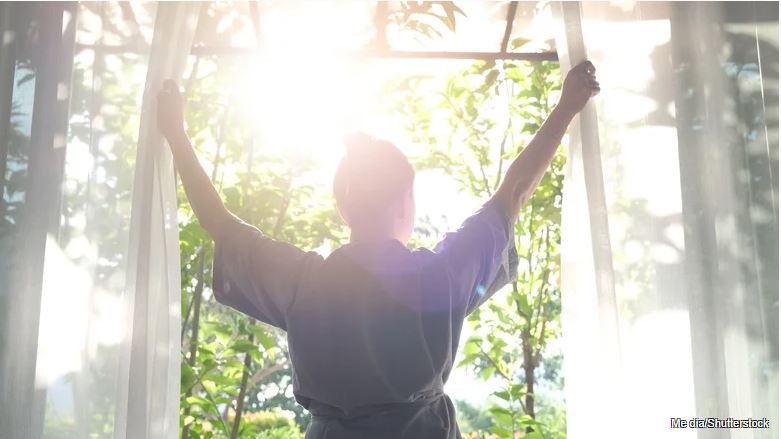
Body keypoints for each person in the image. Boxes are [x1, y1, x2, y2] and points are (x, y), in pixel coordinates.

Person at [158, 60, 599, 439]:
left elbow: (220, 224)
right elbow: (514, 192)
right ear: (406, 201)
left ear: (342, 205)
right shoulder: (440, 277)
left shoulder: (303, 284)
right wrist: (566, 107)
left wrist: (177, 135)